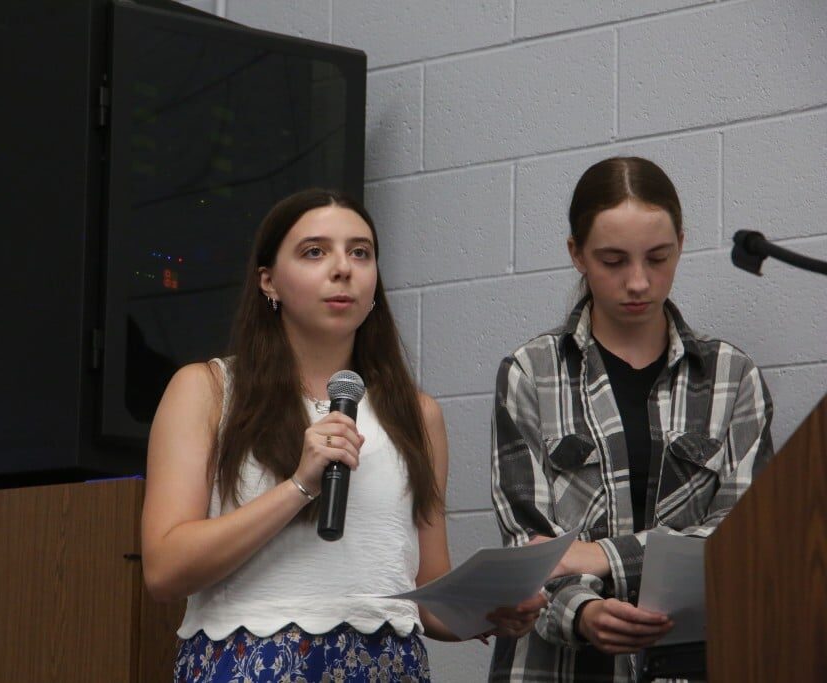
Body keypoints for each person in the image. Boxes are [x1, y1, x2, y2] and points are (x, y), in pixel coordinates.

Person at [142, 188, 544, 682]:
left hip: (385, 665)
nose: (343, 268)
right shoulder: (207, 391)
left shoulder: (417, 416)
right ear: (268, 281)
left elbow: (425, 589)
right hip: (250, 664)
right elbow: (164, 570)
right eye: (315, 252)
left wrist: (486, 612)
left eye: (361, 252)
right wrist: (299, 486)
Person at [489, 157, 775, 682]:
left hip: (691, 661)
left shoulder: (733, 377)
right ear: (576, 253)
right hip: (555, 667)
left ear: (682, 245)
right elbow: (527, 547)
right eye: (613, 260)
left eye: (658, 258)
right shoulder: (531, 372)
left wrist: (602, 557)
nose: (639, 281)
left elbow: (744, 539)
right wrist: (583, 612)